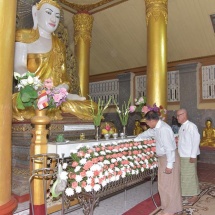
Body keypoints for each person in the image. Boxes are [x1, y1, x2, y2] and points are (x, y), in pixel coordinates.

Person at [13, 0, 96, 121]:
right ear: (35, 13)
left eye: (57, 16)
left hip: (56, 97)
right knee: (32, 105)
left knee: (91, 107)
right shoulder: (23, 36)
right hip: (32, 95)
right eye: (49, 13)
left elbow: (64, 78)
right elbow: (18, 66)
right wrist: (36, 87)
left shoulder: (59, 45)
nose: (54, 19)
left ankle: (55, 104)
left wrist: (63, 90)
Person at [134, 111, 182, 215]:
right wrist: (137, 138)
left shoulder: (163, 129)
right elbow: (147, 133)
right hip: (163, 158)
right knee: (163, 184)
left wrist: (170, 165)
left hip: (169, 158)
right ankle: (167, 206)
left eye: (147, 122)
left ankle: (171, 209)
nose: (147, 124)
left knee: (170, 185)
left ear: (152, 120)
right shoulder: (156, 128)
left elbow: (169, 149)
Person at [176, 108, 200, 204]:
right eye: (177, 116)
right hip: (182, 155)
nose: (177, 117)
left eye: (179, 115)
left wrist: (193, 155)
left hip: (189, 155)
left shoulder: (191, 126)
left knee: (191, 175)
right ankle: (185, 193)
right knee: (184, 176)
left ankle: (195, 195)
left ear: (184, 115)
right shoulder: (182, 127)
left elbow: (196, 140)